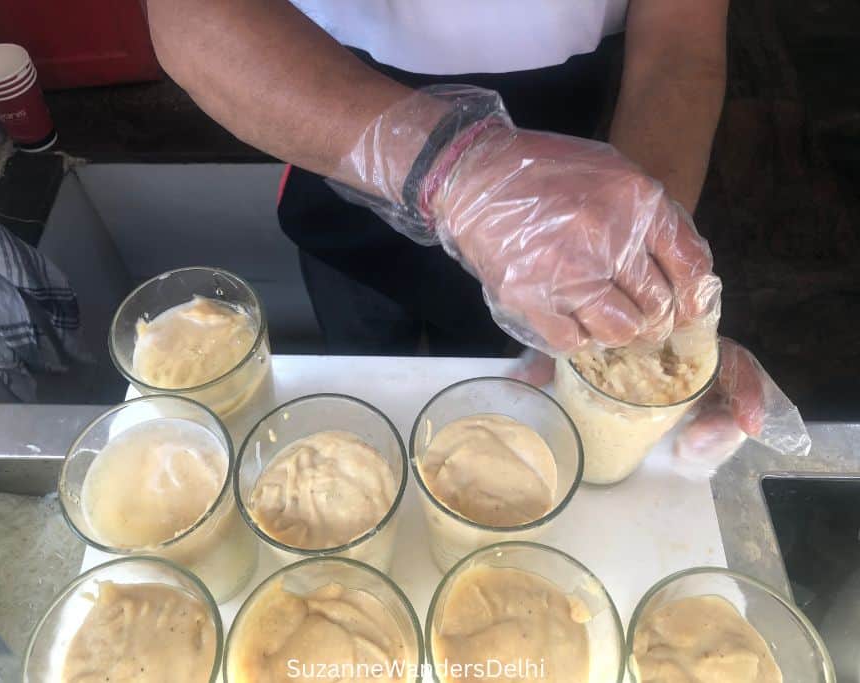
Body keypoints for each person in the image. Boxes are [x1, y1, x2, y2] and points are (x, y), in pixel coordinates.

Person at [145, 0, 806, 459]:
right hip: (335, 122)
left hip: (573, 191)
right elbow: (187, 17)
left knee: (516, 398)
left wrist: (633, 283)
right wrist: (451, 167)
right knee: (371, 378)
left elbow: (678, 51)